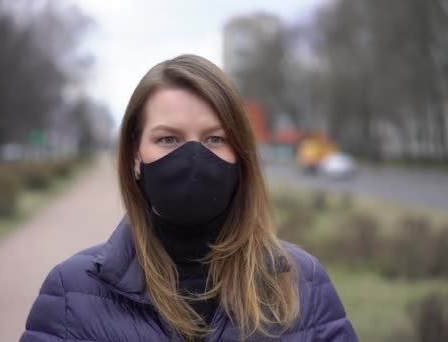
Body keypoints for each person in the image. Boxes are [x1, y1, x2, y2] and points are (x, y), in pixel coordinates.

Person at [20, 54, 357, 342]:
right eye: (168, 139)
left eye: (214, 139)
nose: (193, 157)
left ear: (240, 155)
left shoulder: (303, 284)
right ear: (136, 155)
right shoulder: (71, 294)